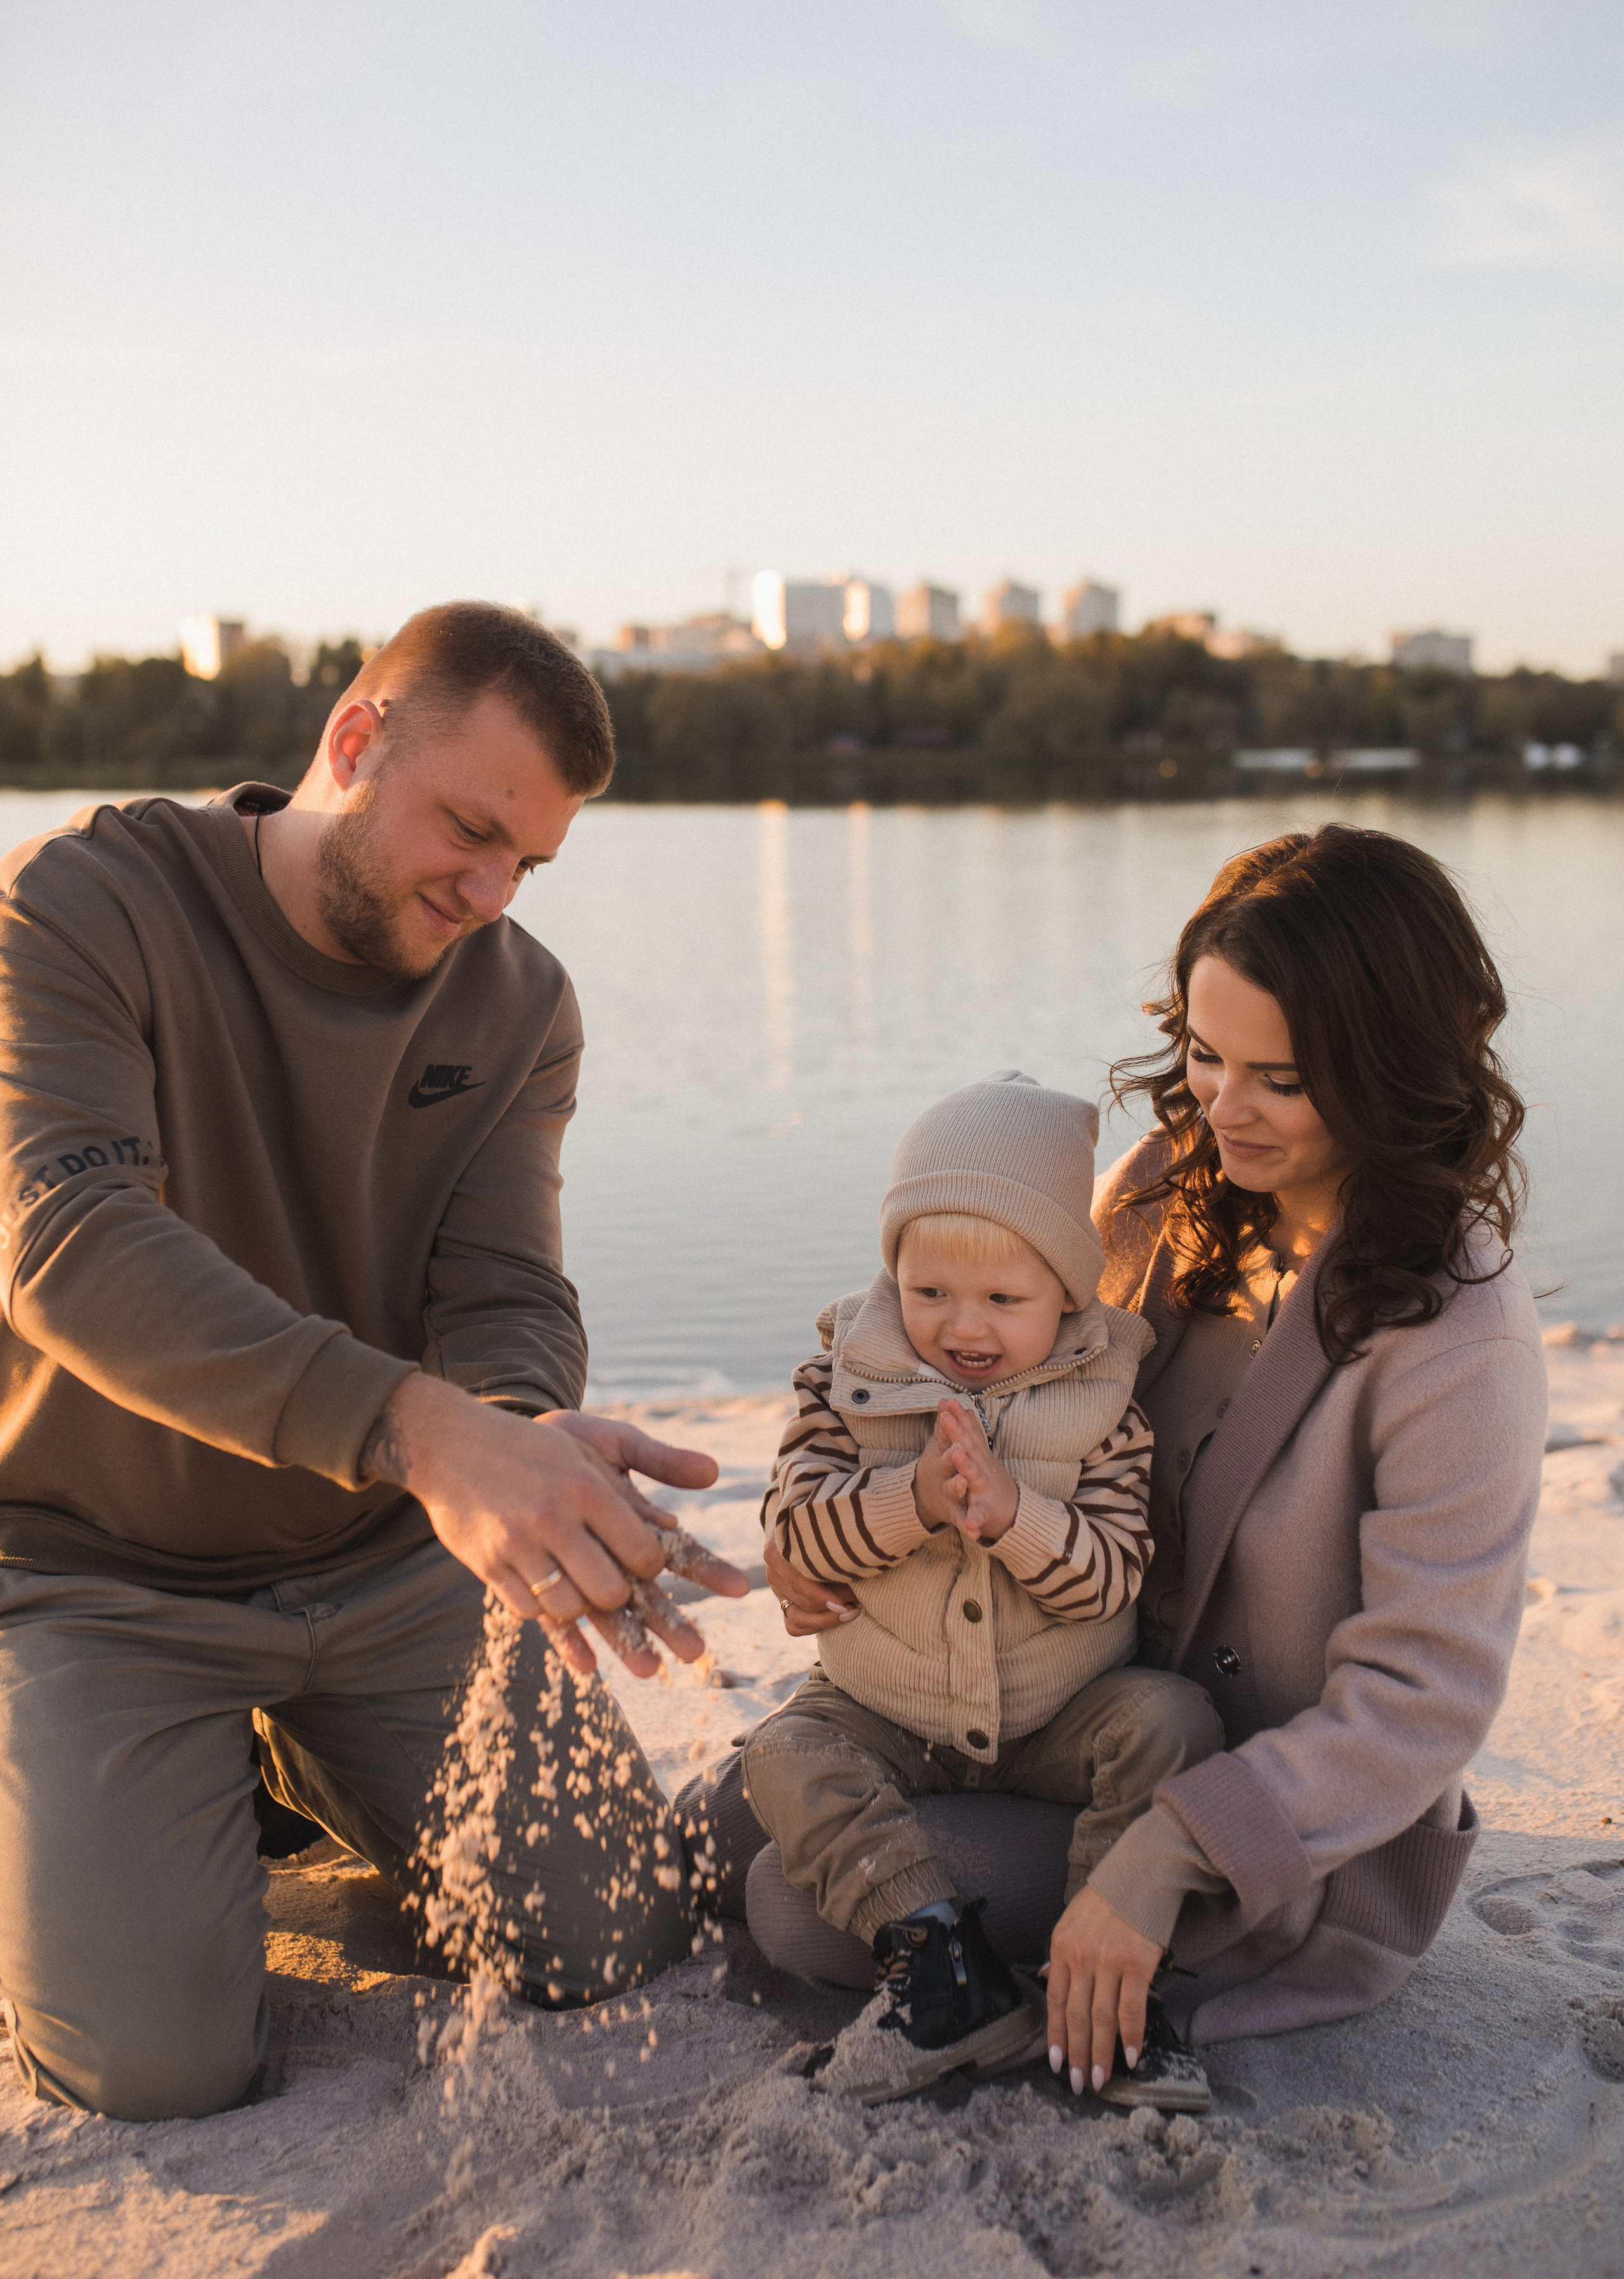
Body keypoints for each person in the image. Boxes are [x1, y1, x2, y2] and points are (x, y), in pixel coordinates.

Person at [0, 601, 745, 2123]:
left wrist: (522, 1443)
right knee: (155, 2067)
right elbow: (63, 1239)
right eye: (467, 830)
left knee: (615, 1938)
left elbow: (505, 1284)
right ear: (354, 743)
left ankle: (275, 1776)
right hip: (89, 1576)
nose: (487, 892)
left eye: (525, 862)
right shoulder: (78, 903)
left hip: (380, 1566)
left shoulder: (520, 1004)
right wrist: (421, 1434)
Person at [703, 825, 1544, 2106]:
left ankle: (1069, 1991)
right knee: (720, 1821)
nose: (1220, 1104)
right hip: (1055, 1692)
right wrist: (840, 1544)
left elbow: (1423, 1703)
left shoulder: (1454, 1330)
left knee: (792, 1906)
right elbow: (985, 1373)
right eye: (1204, 1055)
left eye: (1279, 1078)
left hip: (1248, 1809)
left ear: (1386, 1073)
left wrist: (1166, 1855)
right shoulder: (1162, 1191)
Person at [737, 1072, 1222, 2105]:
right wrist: (911, 1499)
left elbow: (1109, 1579)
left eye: (1005, 1300)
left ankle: (1099, 1988)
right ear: (892, 1275)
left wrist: (1014, 1516)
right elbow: (796, 1540)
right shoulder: (842, 1379)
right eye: (930, 1294)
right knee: (783, 1750)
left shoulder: (1106, 1408)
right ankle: (939, 1962)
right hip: (886, 1706)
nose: (965, 1328)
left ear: (1068, 1294)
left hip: (1059, 1710)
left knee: (1172, 1719)